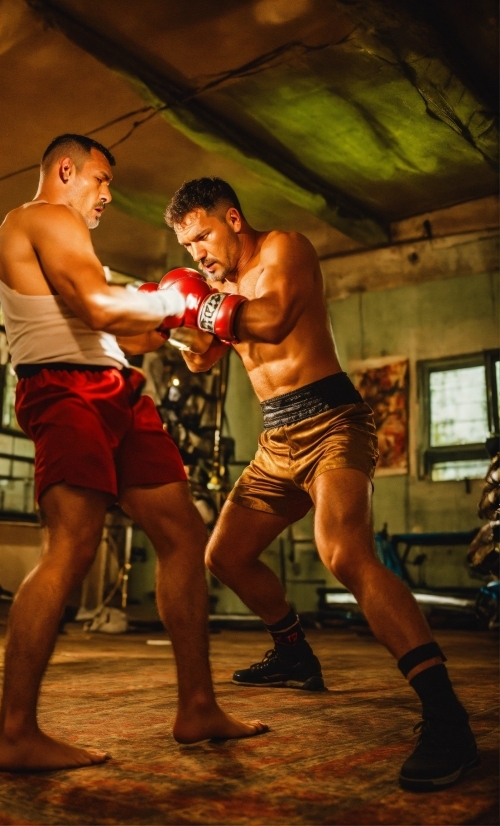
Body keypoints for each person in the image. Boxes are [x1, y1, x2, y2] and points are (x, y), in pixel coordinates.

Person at [161, 176, 478, 791]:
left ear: (232, 218)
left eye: (202, 236)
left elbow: (274, 322)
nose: (196, 253)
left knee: (343, 553)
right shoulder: (219, 287)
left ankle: (447, 715)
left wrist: (201, 306)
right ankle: (293, 651)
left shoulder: (286, 249)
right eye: (186, 245)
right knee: (224, 555)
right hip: (276, 441)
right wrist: (179, 322)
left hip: (333, 422)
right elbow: (204, 355)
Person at [0, 138, 267, 773]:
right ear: (65, 170)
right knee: (73, 546)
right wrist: (176, 300)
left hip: (116, 389)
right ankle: (13, 732)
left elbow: (130, 331)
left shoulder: (73, 247)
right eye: (101, 178)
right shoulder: (40, 219)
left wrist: (178, 319)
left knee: (183, 534)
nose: (109, 193)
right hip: (63, 389)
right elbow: (100, 306)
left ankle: (197, 707)